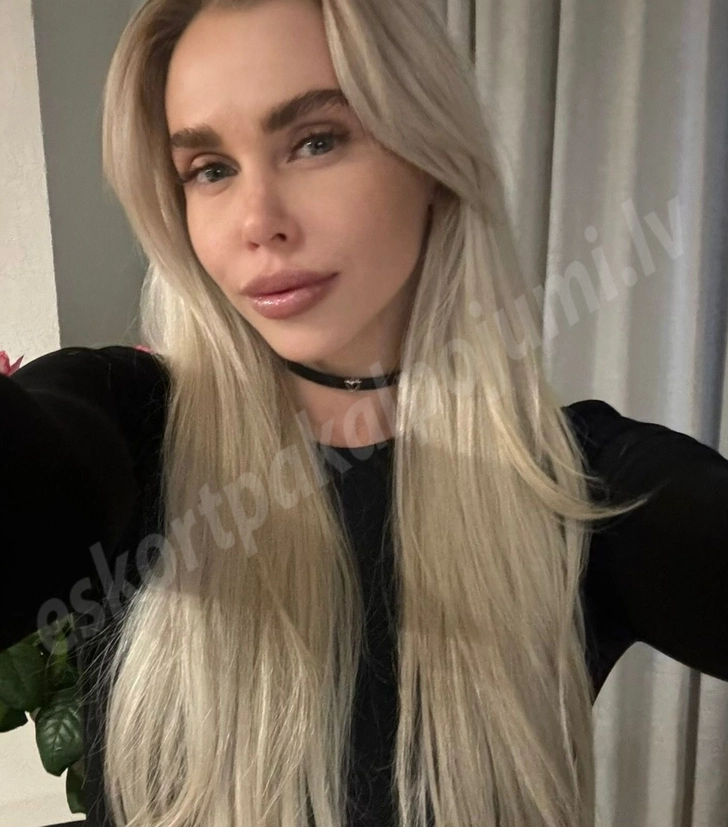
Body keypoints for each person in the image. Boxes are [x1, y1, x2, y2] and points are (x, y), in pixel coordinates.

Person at [1, 0, 726, 825]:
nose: (257, 222)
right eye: (210, 168)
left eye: (317, 141)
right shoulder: (131, 426)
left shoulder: (579, 489)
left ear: (431, 158)